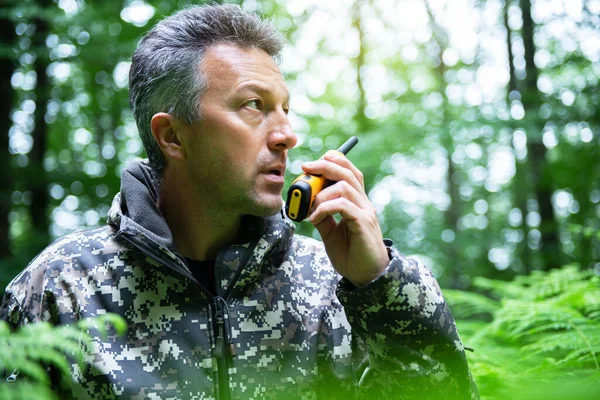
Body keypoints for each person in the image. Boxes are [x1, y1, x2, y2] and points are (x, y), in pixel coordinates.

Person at [1, 4, 478, 400]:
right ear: (172, 135)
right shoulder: (61, 290)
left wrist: (381, 285)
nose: (288, 135)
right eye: (255, 105)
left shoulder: (335, 286)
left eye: (285, 109)